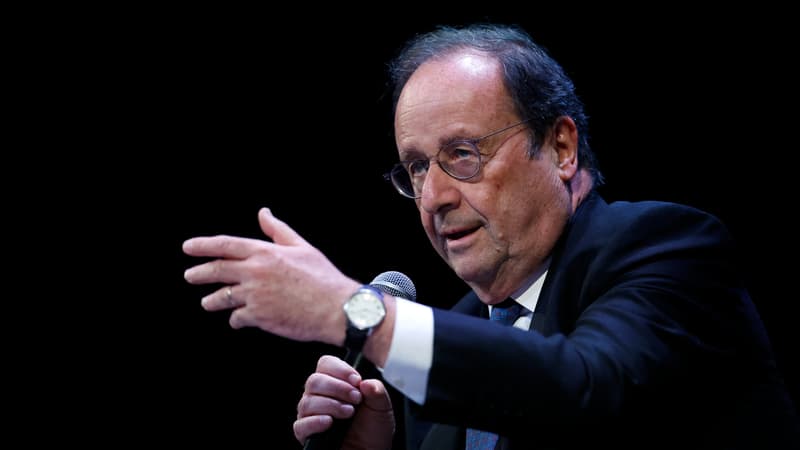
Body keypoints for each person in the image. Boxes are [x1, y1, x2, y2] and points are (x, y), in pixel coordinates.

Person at [182, 23, 799, 449]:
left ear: (560, 147)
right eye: (417, 167)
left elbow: (585, 388)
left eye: (463, 153)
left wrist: (357, 311)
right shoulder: (455, 334)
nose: (433, 197)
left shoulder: (665, 249)